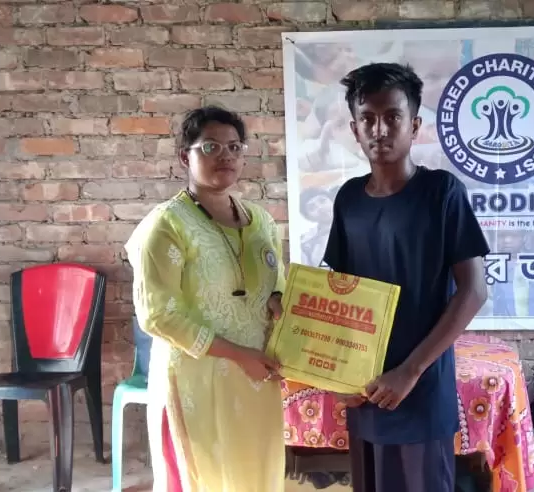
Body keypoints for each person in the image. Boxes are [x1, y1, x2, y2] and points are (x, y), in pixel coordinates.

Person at [323, 62, 490, 492]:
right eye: (367, 119)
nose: (379, 130)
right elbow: (339, 293)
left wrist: (410, 371)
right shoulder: (348, 199)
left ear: (414, 126)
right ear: (354, 129)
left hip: (420, 388)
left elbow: (474, 291)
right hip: (365, 388)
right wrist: (338, 373)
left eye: (392, 117)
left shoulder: (442, 192)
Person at [125, 106, 287, 491]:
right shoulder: (167, 224)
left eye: (234, 147)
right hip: (195, 382)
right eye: (211, 147)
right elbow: (158, 315)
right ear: (186, 157)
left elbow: (277, 284)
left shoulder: (261, 222)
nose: (225, 156)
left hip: (256, 377)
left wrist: (280, 303)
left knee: (255, 477)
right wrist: (239, 355)